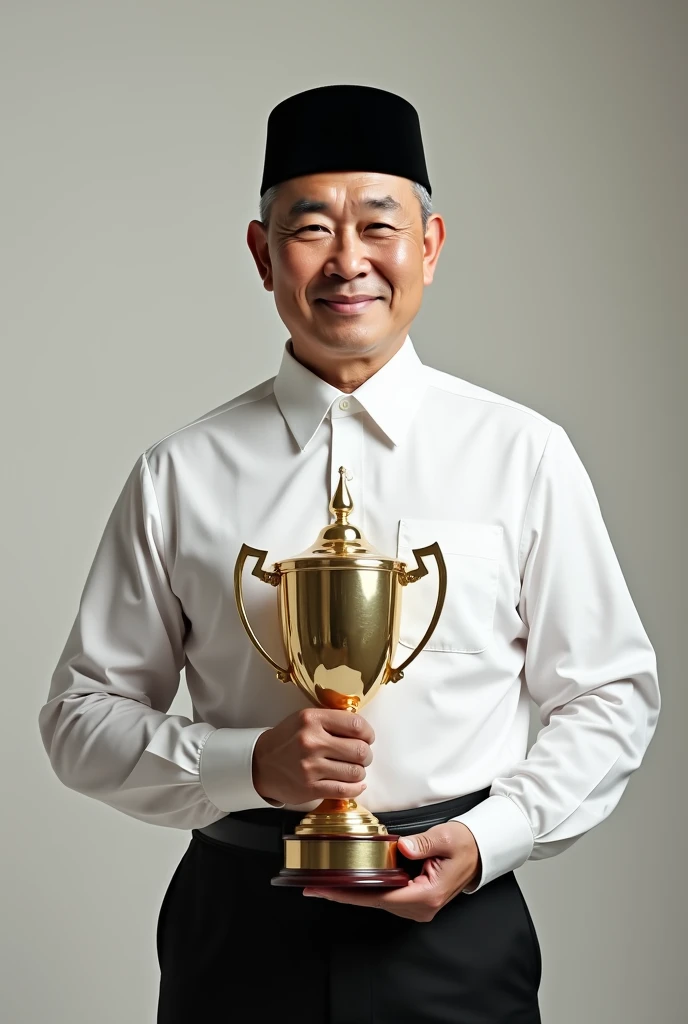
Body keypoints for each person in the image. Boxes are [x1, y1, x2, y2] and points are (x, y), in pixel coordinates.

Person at [38, 84, 660, 1024]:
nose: (348, 261)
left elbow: (613, 694)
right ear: (261, 254)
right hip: (238, 931)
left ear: (431, 246)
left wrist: (491, 838)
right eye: (310, 228)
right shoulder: (180, 471)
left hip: (458, 930)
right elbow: (78, 719)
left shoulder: (523, 452)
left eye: (379, 223)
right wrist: (248, 766)